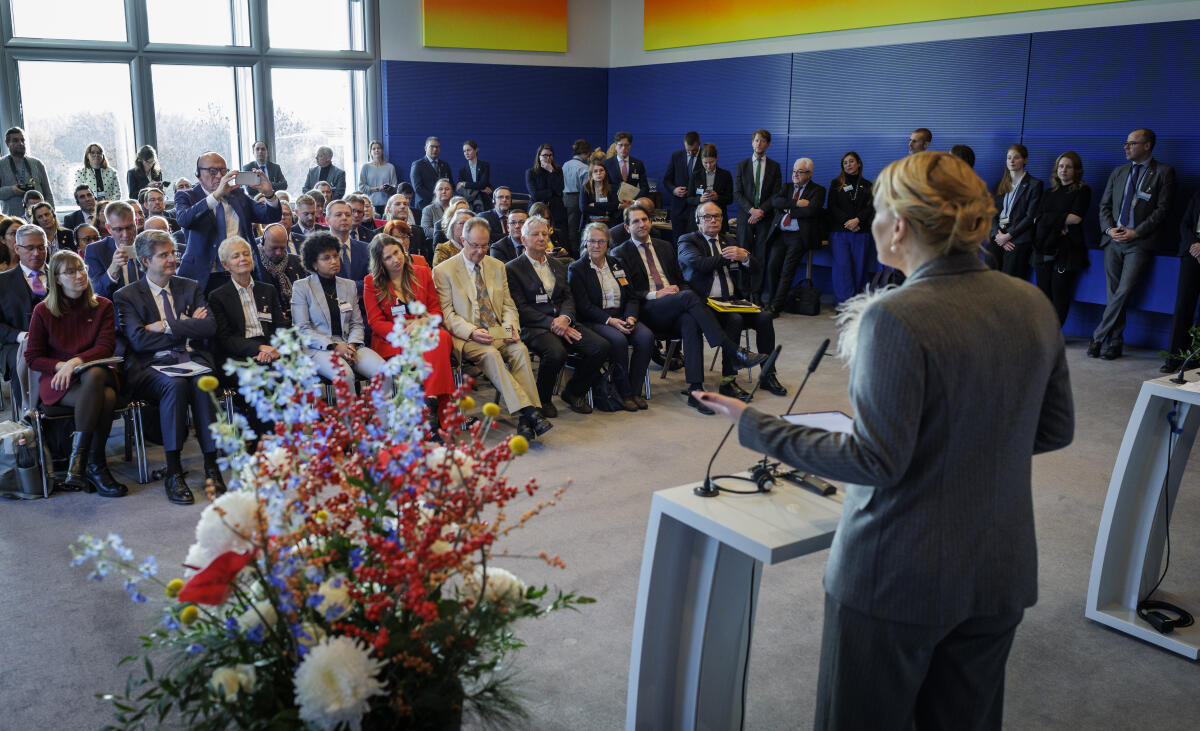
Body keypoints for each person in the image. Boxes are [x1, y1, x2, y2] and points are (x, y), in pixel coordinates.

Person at [696, 150, 1074, 731]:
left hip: (899, 574)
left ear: (898, 225)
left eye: (876, 211)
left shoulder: (893, 317)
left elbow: (875, 460)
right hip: (1001, 569)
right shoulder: (1031, 303)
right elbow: (1053, 429)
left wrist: (755, 424)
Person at [611, 204, 767, 415]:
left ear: (650, 222)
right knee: (688, 298)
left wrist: (677, 290)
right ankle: (733, 350)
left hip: (676, 304)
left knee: (690, 320)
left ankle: (696, 390)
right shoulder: (619, 252)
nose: (642, 224)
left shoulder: (664, 246)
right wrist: (655, 294)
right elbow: (627, 293)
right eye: (636, 221)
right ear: (627, 227)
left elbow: (682, 281)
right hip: (648, 308)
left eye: (645, 220)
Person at [113, 229, 225, 505]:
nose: (172, 259)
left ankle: (212, 465)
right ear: (145, 261)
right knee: (174, 385)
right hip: (151, 367)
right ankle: (173, 471)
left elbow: (210, 326)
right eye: (163, 255)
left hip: (189, 360)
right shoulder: (127, 295)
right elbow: (138, 340)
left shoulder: (190, 286)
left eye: (173, 253)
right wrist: (188, 324)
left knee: (203, 381)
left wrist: (165, 325)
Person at [433, 217, 551, 441]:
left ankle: (527, 421)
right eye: (475, 245)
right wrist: (471, 331)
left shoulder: (496, 266)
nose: (480, 251)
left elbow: (508, 304)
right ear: (462, 240)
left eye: (484, 245)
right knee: (491, 355)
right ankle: (530, 412)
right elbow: (447, 314)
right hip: (468, 335)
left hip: (497, 329)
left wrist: (510, 326)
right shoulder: (443, 271)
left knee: (520, 351)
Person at [23, 250, 126, 497]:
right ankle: (94, 466)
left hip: (93, 372)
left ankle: (78, 465)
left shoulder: (103, 305)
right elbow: (33, 357)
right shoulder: (43, 311)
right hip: (61, 381)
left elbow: (105, 347)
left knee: (96, 374)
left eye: (82, 269)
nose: (79, 275)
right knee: (107, 397)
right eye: (70, 272)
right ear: (57, 279)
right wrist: (64, 366)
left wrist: (76, 362)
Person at [678, 201, 786, 399]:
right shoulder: (688, 240)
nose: (713, 220)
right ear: (698, 221)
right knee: (734, 320)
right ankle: (728, 381)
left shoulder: (729, 239)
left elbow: (755, 267)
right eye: (707, 217)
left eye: (717, 216)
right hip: (705, 304)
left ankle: (768, 374)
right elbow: (699, 264)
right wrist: (729, 257)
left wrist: (744, 259)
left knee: (764, 318)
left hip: (733, 301)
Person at [506, 215, 608, 416]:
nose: (542, 238)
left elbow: (568, 298)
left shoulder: (558, 264)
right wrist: (552, 323)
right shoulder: (512, 269)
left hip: (563, 321)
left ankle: (573, 392)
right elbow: (520, 308)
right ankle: (543, 400)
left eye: (545, 233)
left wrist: (565, 319)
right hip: (534, 325)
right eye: (536, 234)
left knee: (600, 347)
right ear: (524, 240)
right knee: (556, 353)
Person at [1090, 128, 1176, 360]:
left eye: (1132, 143)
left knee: (1123, 291)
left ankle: (1098, 336)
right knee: (1113, 293)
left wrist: (1136, 232)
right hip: (1113, 240)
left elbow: (1163, 210)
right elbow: (1104, 206)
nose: (1126, 147)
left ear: (1147, 146)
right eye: (1126, 143)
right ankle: (1115, 342)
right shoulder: (1118, 172)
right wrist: (1110, 230)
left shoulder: (1164, 172)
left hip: (1140, 242)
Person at [363, 233, 453, 420]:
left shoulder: (422, 272)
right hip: (394, 341)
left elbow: (436, 311)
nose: (395, 260)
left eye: (397, 252)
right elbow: (375, 322)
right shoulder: (371, 282)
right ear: (380, 262)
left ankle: (430, 403)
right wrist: (403, 333)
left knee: (442, 338)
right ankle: (438, 411)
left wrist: (422, 321)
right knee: (435, 349)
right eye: (388, 257)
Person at [568, 222, 652, 412]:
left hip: (622, 315)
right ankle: (624, 393)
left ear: (608, 244)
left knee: (646, 337)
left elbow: (631, 296)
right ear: (585, 243)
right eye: (591, 241)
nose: (596, 246)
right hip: (596, 319)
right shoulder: (577, 269)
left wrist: (630, 317)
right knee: (618, 340)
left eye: (601, 242)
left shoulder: (617, 264)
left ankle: (635, 391)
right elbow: (584, 306)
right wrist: (610, 321)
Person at [208, 236, 284, 441]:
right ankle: (266, 439)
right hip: (237, 355)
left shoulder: (266, 289)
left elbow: (280, 327)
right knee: (262, 380)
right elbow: (225, 339)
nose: (243, 258)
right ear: (225, 265)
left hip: (270, 351)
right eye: (236, 256)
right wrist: (258, 349)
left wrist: (272, 348)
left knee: (290, 375)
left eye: (246, 254)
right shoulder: (218, 296)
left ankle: (278, 438)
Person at [292, 232, 387, 394]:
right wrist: (335, 347)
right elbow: (302, 330)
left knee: (384, 372)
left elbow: (357, 323)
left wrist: (351, 345)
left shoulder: (349, 286)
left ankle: (381, 419)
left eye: (336, 256)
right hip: (318, 348)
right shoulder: (302, 287)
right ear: (314, 263)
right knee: (344, 375)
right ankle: (350, 419)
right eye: (326, 258)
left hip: (350, 344)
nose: (334, 261)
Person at [175, 151, 282, 293]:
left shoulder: (237, 194)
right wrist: (216, 196)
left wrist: (269, 194)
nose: (220, 176)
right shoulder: (186, 195)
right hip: (205, 275)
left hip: (240, 272)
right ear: (198, 175)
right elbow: (184, 219)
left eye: (223, 171)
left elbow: (271, 216)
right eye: (213, 171)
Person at [1032, 152, 1091, 328]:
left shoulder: (1082, 190)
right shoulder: (1049, 192)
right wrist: (1060, 221)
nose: (1064, 170)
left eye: (1069, 166)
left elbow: (1075, 219)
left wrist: (1047, 219)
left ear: (1076, 170)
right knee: (1043, 292)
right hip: (1045, 247)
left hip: (1068, 249)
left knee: (1060, 292)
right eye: (1061, 166)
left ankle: (1054, 333)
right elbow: (1036, 218)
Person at [764, 158, 826, 316]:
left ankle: (775, 307)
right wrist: (796, 204)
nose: (795, 174)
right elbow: (775, 202)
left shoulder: (818, 190)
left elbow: (811, 211)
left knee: (787, 270)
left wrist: (787, 210)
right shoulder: (787, 186)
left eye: (800, 171)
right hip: (781, 234)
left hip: (799, 236)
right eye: (794, 171)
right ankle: (771, 301)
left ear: (809, 174)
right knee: (772, 266)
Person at [0, 224, 50, 413]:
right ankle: (29, 416)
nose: (36, 253)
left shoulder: (61, 275)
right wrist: (21, 335)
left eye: (41, 247)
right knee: (26, 360)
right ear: (17, 248)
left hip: (58, 339)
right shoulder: (2, 283)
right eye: (30, 248)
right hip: (16, 343)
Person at [734, 129, 782, 301]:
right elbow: (737, 193)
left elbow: (776, 194)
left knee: (760, 256)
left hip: (765, 217)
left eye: (762, 141)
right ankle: (743, 292)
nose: (759, 144)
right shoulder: (742, 165)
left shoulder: (775, 166)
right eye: (756, 141)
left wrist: (761, 211)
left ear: (768, 144)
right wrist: (751, 210)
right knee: (742, 253)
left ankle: (756, 293)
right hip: (745, 216)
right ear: (752, 142)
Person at [985, 144, 1043, 281]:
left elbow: (1030, 216)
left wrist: (1009, 235)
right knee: (989, 279)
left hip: (1018, 239)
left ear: (1025, 160)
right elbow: (991, 213)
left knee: (1009, 282)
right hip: (998, 238)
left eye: (1016, 158)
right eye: (1009, 158)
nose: (1011, 161)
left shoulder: (1034, 184)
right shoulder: (1000, 184)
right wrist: (998, 235)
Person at [827, 152, 876, 304]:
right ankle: (844, 304)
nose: (848, 165)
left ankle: (858, 303)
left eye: (851, 161)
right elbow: (832, 207)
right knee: (842, 269)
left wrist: (857, 220)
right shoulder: (836, 184)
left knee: (860, 267)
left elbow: (871, 207)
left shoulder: (868, 185)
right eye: (845, 162)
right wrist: (848, 222)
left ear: (859, 163)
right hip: (840, 232)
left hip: (861, 232)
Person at [1163, 188, 1200, 372]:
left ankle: (1195, 362)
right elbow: (1185, 223)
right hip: (1192, 253)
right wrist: (1194, 245)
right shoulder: (1197, 193)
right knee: (1183, 306)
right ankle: (1174, 358)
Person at [84, 201, 140, 299]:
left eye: (129, 227)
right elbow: (95, 294)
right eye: (119, 229)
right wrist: (113, 269)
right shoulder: (95, 251)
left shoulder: (149, 244)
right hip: (117, 311)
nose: (126, 235)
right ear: (108, 228)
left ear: (135, 222)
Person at [256, 223, 305, 324]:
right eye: (274, 248)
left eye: (282, 248)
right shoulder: (254, 266)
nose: (278, 252)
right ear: (262, 242)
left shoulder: (297, 262)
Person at [1, 127, 54, 216]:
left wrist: (51, 214)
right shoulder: (1, 165)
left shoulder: (37, 164)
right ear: (7, 143)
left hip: (39, 220)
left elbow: (48, 194)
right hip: (13, 221)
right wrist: (12, 190)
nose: (20, 143)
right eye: (15, 140)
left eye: (22, 140)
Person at [685, 143, 733, 236]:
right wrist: (699, 199)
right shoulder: (696, 175)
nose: (708, 166)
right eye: (705, 163)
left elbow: (730, 199)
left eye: (711, 162)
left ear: (717, 158)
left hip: (718, 220)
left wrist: (717, 197)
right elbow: (689, 199)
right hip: (699, 220)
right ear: (701, 160)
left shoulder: (725, 175)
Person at [526, 144, 569, 248]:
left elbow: (559, 190)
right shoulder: (531, 172)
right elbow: (535, 194)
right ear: (539, 156)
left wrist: (551, 172)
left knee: (559, 237)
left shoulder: (557, 171)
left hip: (556, 210)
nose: (548, 158)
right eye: (545, 155)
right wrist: (551, 192)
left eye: (550, 155)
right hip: (537, 210)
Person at [663, 131, 702, 241]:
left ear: (699, 143)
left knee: (696, 243)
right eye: (688, 150)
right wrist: (674, 190)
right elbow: (667, 180)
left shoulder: (706, 156)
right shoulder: (676, 156)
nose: (690, 152)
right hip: (678, 209)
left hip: (697, 208)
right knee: (678, 241)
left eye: (693, 150)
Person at [325, 199, 370, 286]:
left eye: (348, 215)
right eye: (338, 215)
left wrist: (350, 288)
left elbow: (372, 281)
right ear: (327, 220)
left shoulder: (366, 248)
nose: (344, 218)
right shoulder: (319, 249)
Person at [561, 139, 593, 252]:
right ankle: (576, 253)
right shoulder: (584, 168)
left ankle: (568, 251)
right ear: (586, 153)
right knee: (576, 229)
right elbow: (586, 188)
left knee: (568, 228)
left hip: (564, 198)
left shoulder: (565, 165)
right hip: (577, 198)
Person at [410, 137, 453, 212]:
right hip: (424, 206)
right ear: (425, 148)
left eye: (437, 147)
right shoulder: (418, 165)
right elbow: (418, 188)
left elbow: (451, 184)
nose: (435, 149)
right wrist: (436, 198)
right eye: (432, 147)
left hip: (443, 205)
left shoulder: (445, 165)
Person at [580, 159, 623, 231]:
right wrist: (605, 212)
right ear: (591, 174)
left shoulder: (612, 188)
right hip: (590, 223)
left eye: (601, 170)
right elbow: (584, 208)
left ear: (605, 172)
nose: (598, 173)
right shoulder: (585, 188)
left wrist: (595, 205)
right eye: (595, 171)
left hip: (608, 223)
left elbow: (615, 205)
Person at [604, 132, 650, 200]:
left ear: (630, 146)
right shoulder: (606, 164)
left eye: (626, 145)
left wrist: (634, 200)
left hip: (633, 203)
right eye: (620, 145)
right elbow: (605, 186)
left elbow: (644, 187)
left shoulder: (638, 164)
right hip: (613, 203)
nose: (623, 148)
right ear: (615, 146)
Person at [359, 140, 398, 216]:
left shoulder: (390, 167)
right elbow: (362, 187)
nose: (376, 150)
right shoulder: (365, 167)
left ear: (382, 151)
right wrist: (378, 188)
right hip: (370, 205)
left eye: (378, 148)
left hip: (387, 204)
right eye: (373, 149)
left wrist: (389, 189)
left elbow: (395, 187)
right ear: (370, 152)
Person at [456, 140, 492, 212]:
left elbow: (483, 184)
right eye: (464, 151)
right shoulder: (462, 170)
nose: (466, 153)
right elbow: (460, 189)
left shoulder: (484, 165)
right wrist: (479, 188)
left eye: (468, 150)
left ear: (476, 150)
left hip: (485, 200)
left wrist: (465, 184)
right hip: (470, 203)